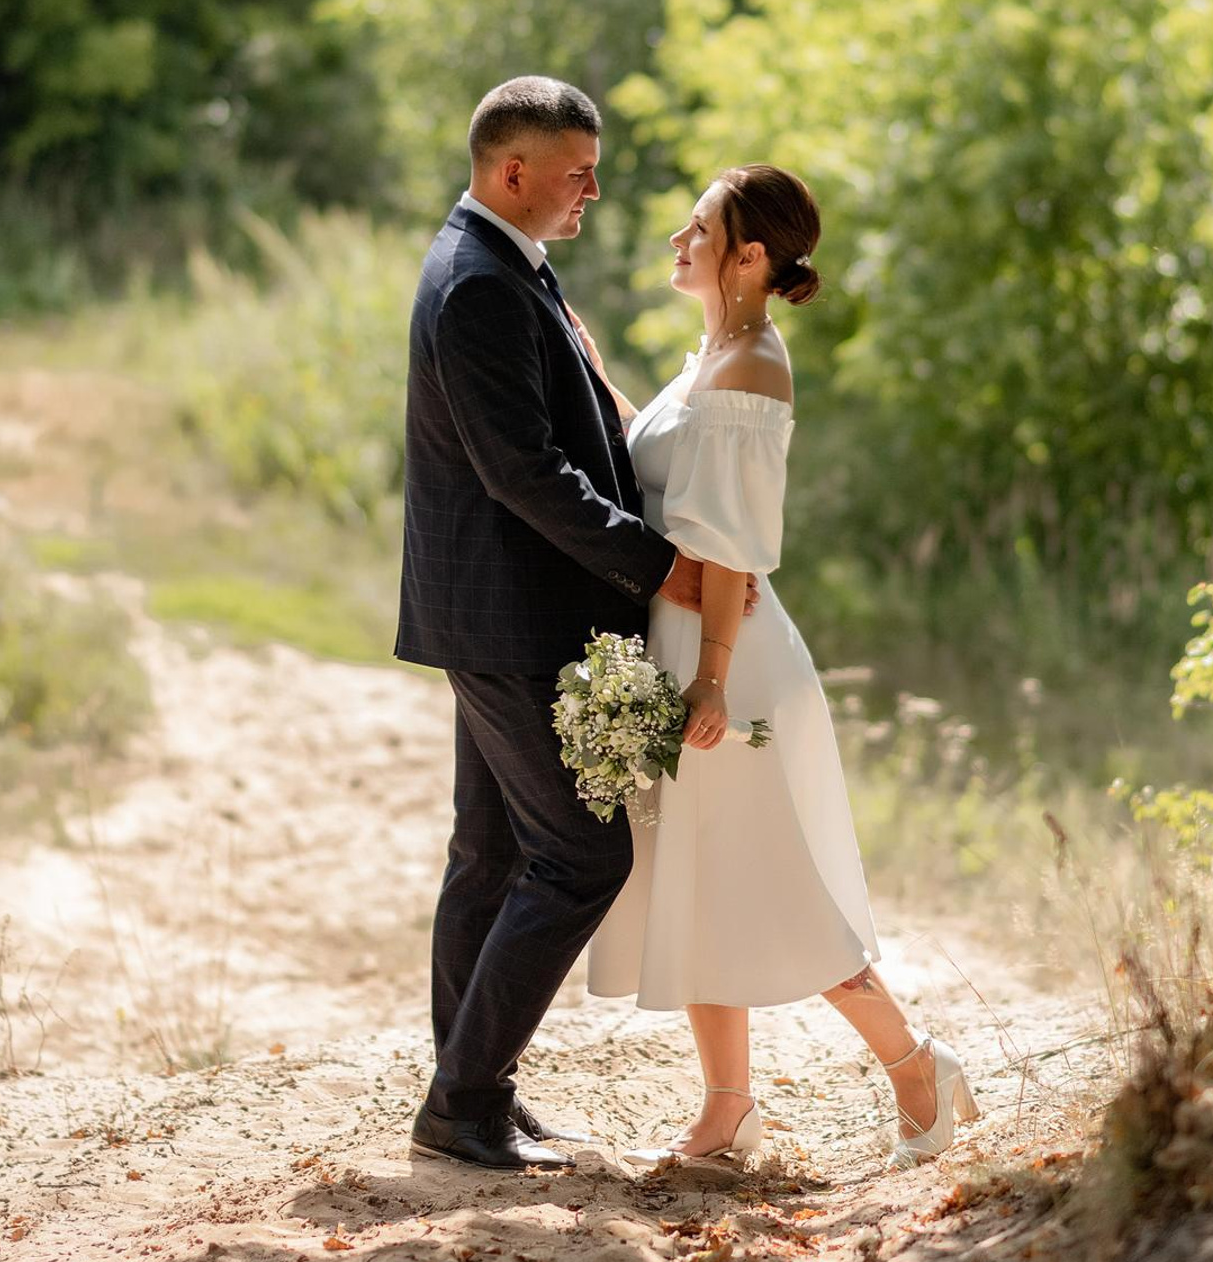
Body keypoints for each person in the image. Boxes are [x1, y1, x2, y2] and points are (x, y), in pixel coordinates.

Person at [582, 165, 981, 1171]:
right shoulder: (713, 355)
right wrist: (585, 358)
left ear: (750, 256)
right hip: (685, 648)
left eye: (700, 226)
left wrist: (711, 676)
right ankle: (727, 1112)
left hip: (734, 663)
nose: (679, 237)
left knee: (777, 886)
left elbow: (729, 542)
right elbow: (656, 454)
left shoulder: (755, 364)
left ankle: (917, 1066)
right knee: (702, 880)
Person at [396, 77, 756, 1173]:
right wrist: (666, 569)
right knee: (578, 856)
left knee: (493, 852)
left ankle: (474, 1088)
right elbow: (525, 474)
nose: (596, 190)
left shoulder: (508, 267)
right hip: (513, 618)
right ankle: (463, 1102)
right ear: (515, 172)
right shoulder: (478, 287)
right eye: (577, 171)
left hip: (498, 610)